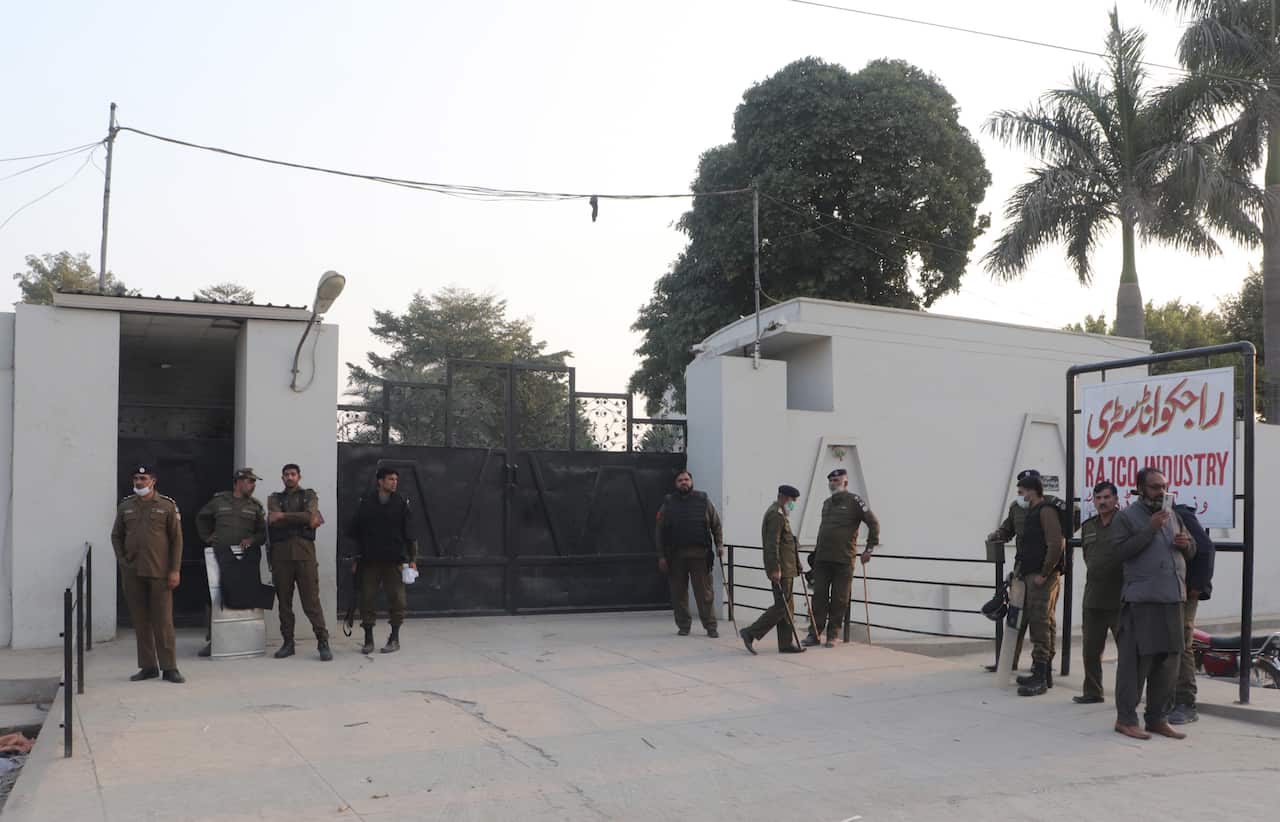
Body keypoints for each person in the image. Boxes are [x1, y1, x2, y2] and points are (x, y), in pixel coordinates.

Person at [1111, 468, 1195, 740]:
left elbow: (1192, 548)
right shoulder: (1126, 517)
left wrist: (1186, 544)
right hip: (1142, 601)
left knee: (1168, 663)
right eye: (1155, 487)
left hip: (1172, 599)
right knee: (1136, 664)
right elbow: (1120, 552)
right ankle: (1126, 719)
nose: (1162, 491)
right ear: (1140, 488)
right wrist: (1150, 529)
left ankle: (1157, 718)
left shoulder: (1174, 515)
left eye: (1164, 486)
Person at [985, 468, 1069, 673]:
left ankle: (1043, 664)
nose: (1023, 494)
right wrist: (997, 535)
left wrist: (1048, 569)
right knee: (1016, 617)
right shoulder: (1017, 508)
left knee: (1042, 618)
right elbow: (1008, 529)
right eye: (1021, 489)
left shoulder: (1050, 505)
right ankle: (1008, 662)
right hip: (1022, 569)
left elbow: (1061, 534)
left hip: (1045, 572)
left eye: (1025, 489)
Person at [111, 465, 185, 684]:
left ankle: (169, 667)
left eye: (143, 478)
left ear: (153, 481)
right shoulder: (126, 506)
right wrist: (123, 561)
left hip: (159, 572)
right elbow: (116, 536)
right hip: (133, 572)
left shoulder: (166, 505)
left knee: (163, 621)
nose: (139, 482)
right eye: (135, 478)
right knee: (140, 621)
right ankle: (148, 666)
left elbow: (177, 540)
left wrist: (175, 570)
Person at [195, 468, 268, 658]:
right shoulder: (219, 501)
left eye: (254, 482)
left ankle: (245, 639)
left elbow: (262, 533)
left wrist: (252, 540)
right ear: (239, 482)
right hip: (220, 557)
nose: (253, 485)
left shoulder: (255, 506)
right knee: (215, 599)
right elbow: (201, 518)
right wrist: (207, 537)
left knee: (245, 597)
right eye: (250, 481)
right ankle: (214, 641)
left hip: (243, 561)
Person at [804, 469, 879, 649]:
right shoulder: (826, 503)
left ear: (845, 482)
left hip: (843, 560)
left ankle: (833, 635)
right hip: (822, 559)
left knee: (839, 599)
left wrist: (869, 549)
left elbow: (873, 523)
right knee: (819, 598)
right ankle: (814, 633)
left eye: (836, 480)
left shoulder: (855, 501)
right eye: (830, 480)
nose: (832, 483)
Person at [345, 466, 417, 654]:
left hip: (393, 561)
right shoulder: (366, 503)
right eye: (390, 479)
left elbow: (410, 534)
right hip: (369, 561)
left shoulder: (401, 503)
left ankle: (394, 639)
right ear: (380, 481)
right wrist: (355, 558)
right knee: (367, 600)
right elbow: (355, 533)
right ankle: (368, 640)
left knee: (398, 600)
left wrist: (413, 558)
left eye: (396, 479)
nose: (394, 483)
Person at [267, 463, 332, 661]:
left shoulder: (308, 495)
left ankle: (323, 642)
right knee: (284, 603)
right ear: (282, 478)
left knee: (311, 602)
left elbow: (310, 516)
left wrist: (284, 516)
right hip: (281, 557)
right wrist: (302, 518)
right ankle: (288, 643)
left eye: (293, 474)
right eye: (286, 474)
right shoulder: (274, 498)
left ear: (299, 477)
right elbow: (274, 518)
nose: (289, 477)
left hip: (305, 556)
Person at [1014, 473, 1066, 697]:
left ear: (1031, 490)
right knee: (1041, 622)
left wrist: (1045, 574)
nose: (1020, 496)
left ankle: (1041, 675)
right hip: (1032, 575)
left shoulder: (1045, 510)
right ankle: (1042, 673)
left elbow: (1056, 543)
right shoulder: (1033, 511)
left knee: (1040, 624)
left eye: (1021, 491)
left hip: (1041, 577)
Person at [655, 470, 724, 638]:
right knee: (679, 593)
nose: (683, 482)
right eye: (680, 480)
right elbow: (660, 532)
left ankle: (710, 626)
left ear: (691, 482)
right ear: (675, 484)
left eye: (686, 479)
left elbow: (716, 525)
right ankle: (684, 625)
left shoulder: (703, 501)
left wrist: (719, 545)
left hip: (700, 556)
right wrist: (661, 556)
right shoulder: (668, 503)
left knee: (704, 593)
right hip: (676, 556)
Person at [740, 485, 806, 655]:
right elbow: (772, 544)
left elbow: (787, 543)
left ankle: (785, 643)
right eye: (792, 501)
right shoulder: (776, 515)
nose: (793, 505)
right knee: (781, 607)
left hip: (788, 568)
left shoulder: (780, 514)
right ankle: (750, 632)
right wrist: (775, 568)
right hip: (782, 569)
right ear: (783, 498)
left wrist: (797, 564)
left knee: (787, 608)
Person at [1073, 481, 1123, 704]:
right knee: (1091, 649)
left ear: (1115, 499)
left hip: (1121, 598)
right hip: (1093, 597)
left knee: (1128, 652)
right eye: (1098, 498)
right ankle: (1093, 692)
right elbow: (1087, 556)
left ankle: (1127, 696)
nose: (1102, 502)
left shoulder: (1125, 523)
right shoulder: (1088, 526)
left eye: (1106, 497)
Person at [1170, 502, 1215, 725]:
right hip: (1161, 594)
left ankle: (1186, 702)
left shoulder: (1180, 515)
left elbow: (1206, 549)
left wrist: (1196, 586)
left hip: (1184, 592)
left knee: (1182, 644)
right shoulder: (1145, 518)